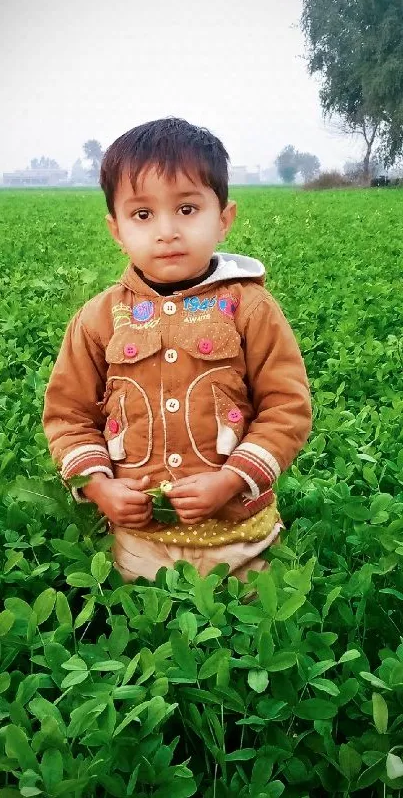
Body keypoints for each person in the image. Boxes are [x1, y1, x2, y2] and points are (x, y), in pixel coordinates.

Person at [42, 117, 312, 582]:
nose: (166, 231)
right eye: (143, 215)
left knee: (248, 637)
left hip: (242, 535)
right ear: (117, 229)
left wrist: (230, 480)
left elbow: (286, 407)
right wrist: (99, 487)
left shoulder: (251, 308)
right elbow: (68, 414)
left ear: (223, 219)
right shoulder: (98, 318)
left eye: (187, 209)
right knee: (144, 637)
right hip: (138, 540)